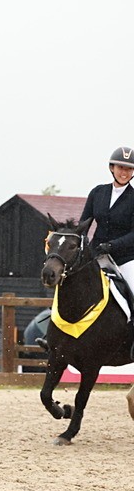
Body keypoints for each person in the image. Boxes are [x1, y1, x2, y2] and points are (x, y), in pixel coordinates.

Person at [81, 146, 134, 355]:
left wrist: (113, 246)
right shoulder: (98, 192)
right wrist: (81, 244)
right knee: (68, 283)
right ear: (112, 168)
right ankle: (55, 336)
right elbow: (84, 223)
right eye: (121, 167)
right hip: (96, 256)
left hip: (125, 259)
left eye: (129, 169)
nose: (125, 172)